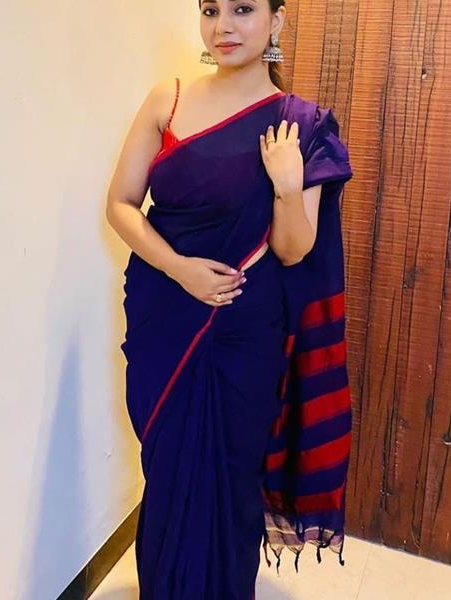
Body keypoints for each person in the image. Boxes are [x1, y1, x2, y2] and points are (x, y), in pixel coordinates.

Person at [106, 1, 354, 598]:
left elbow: (293, 250)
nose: (224, 26)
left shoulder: (301, 124)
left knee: (233, 469)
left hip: (247, 328)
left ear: (276, 21)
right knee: (167, 467)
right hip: (165, 314)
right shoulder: (166, 100)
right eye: (211, 9)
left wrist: (288, 186)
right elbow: (120, 204)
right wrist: (179, 269)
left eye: (243, 9)